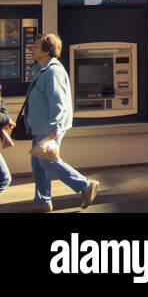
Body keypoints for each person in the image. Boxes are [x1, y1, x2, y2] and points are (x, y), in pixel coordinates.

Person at [27, 33, 99, 212]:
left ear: (47, 51)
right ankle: (43, 202)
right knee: (38, 162)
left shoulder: (53, 71)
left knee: (47, 161)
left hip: (50, 126)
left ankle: (86, 185)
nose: (32, 49)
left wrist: (54, 130)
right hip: (41, 126)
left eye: (36, 46)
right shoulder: (42, 69)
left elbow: (58, 103)